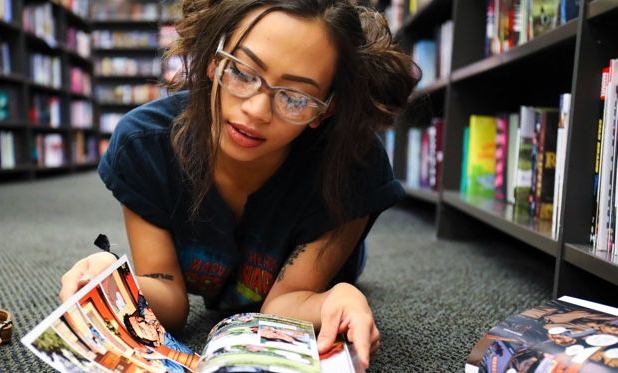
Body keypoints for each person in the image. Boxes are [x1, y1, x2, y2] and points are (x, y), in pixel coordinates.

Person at [60, 0, 417, 368]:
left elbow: (283, 304)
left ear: (324, 109)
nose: (257, 111)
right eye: (243, 73)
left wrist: (336, 298)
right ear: (214, 60)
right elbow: (167, 294)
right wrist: (113, 284)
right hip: (224, 274)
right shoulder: (144, 145)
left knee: (337, 282)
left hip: (307, 270)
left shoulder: (353, 166)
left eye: (295, 97)